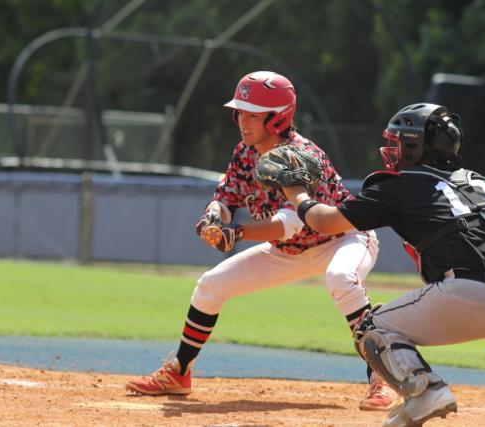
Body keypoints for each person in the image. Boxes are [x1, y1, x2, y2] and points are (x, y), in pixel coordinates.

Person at [278, 102, 485, 427]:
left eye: (397, 141)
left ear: (415, 145)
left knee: (371, 328)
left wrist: (296, 193)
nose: (390, 149)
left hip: (467, 290)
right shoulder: (484, 183)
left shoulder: (398, 185)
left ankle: (426, 391)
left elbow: (324, 221)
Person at [125, 70, 400, 411]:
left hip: (343, 238)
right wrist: (214, 217)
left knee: (341, 278)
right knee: (211, 285)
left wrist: (237, 233)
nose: (242, 120)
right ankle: (179, 372)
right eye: (239, 112)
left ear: (277, 119)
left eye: (252, 114)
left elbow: (289, 224)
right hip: (288, 251)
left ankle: (384, 377)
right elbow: (226, 198)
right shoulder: (245, 152)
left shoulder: (301, 155)